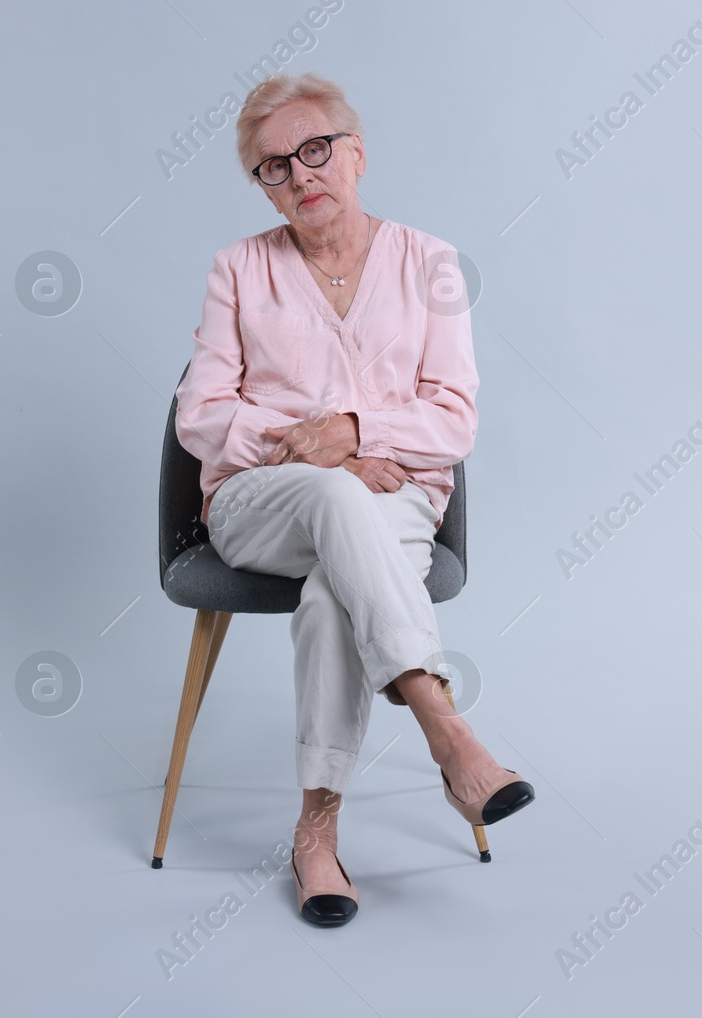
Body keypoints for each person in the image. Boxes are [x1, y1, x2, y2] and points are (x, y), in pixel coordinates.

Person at [174, 72, 534, 928]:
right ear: (260, 184)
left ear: (356, 153)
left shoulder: (430, 263)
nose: (300, 175)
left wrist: (358, 432)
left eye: (315, 149)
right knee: (338, 499)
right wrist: (322, 444)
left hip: (398, 497)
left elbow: (453, 418)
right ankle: (448, 732)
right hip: (258, 502)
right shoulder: (239, 268)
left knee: (340, 583)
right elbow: (202, 414)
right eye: (272, 167)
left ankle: (316, 831)